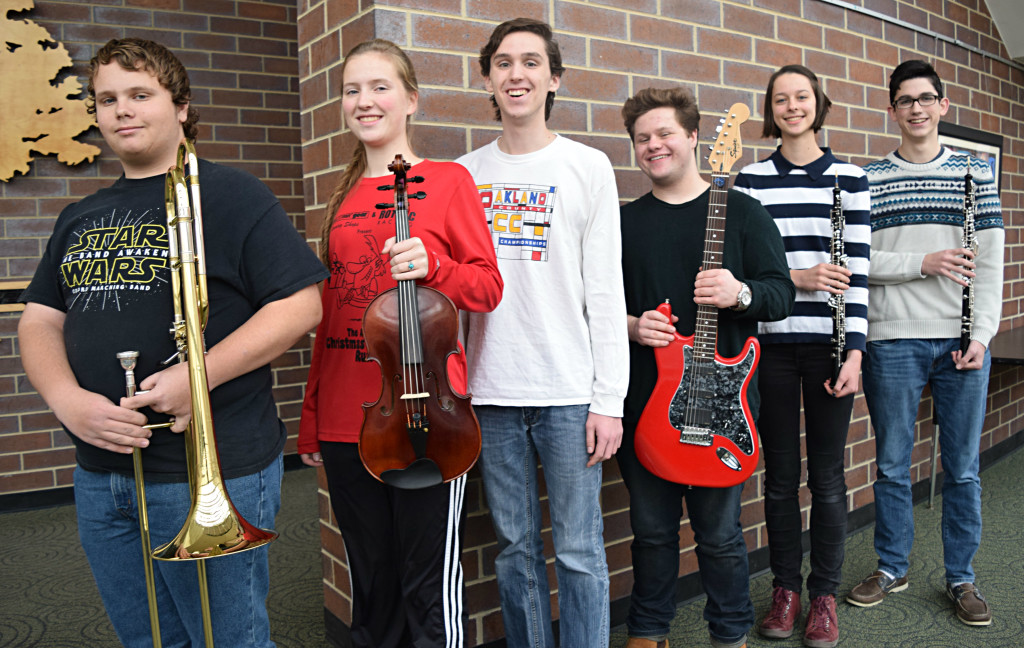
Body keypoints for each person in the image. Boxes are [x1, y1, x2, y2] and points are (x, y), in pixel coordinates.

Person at [18, 37, 327, 647]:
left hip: (205, 472)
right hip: (100, 473)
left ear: (181, 105)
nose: (121, 110)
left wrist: (198, 374)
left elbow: (302, 303)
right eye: (107, 99)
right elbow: (39, 320)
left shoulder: (230, 194)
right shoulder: (79, 215)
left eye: (140, 94)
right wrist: (66, 401)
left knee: (227, 641)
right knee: (150, 640)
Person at [296, 39, 502, 648]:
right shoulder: (342, 195)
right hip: (346, 414)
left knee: (427, 582)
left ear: (411, 99)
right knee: (372, 579)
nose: (364, 100)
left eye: (380, 86)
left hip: (428, 414)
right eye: (352, 89)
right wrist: (311, 415)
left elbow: (487, 288)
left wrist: (434, 265)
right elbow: (329, 314)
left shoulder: (448, 181)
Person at [455, 18, 629, 648]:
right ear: (488, 79)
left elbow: (606, 293)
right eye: (503, 63)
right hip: (491, 392)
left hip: (567, 393)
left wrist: (609, 401)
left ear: (554, 78)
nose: (516, 74)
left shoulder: (588, 166)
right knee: (513, 548)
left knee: (580, 550)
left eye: (531, 62)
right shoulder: (461, 174)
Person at [618, 86, 795, 648]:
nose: (653, 146)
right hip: (645, 403)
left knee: (719, 535)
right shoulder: (624, 223)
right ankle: (648, 630)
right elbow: (592, 306)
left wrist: (739, 292)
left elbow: (781, 294)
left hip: (722, 408)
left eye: (664, 133)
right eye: (642, 138)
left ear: (694, 137)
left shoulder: (743, 214)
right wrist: (631, 326)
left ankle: (730, 632)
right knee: (650, 533)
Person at [845, 60, 1004, 627]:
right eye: (904, 100)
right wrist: (923, 263)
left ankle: (962, 577)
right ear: (892, 109)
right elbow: (857, 259)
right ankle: (892, 566)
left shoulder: (973, 174)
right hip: (893, 341)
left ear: (942, 106)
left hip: (961, 344)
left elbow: (990, 262)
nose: (915, 108)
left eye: (925, 98)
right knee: (891, 465)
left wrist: (982, 334)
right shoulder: (868, 178)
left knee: (962, 469)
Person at [732, 65, 870, 648]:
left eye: (802, 97)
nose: (792, 106)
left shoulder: (851, 178)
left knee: (830, 479)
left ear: (819, 103)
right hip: (770, 347)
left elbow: (858, 273)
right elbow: (740, 271)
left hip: (831, 348)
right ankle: (785, 590)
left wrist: (857, 352)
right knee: (781, 479)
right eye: (780, 99)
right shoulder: (750, 180)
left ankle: (823, 598)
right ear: (770, 109)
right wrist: (801, 275)